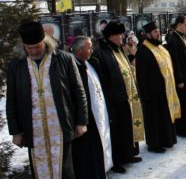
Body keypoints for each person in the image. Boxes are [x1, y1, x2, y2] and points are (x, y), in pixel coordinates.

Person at [6, 21, 88, 179]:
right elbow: (12, 100)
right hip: (33, 129)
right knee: (39, 169)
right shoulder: (16, 66)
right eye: (29, 48)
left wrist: (81, 121)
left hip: (61, 126)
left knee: (65, 170)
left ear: (45, 41)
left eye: (37, 46)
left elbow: (79, 91)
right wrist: (15, 131)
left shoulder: (64, 59)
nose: (33, 51)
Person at [92, 21, 143, 174]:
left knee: (127, 128)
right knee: (117, 132)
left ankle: (129, 154)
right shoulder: (100, 53)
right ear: (110, 36)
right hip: (114, 98)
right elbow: (103, 79)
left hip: (127, 95)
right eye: (119, 34)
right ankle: (117, 161)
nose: (122, 37)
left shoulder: (118, 48)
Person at [135, 21, 181, 153]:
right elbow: (141, 76)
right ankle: (154, 144)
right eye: (155, 32)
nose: (158, 34)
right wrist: (145, 95)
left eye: (158, 31)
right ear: (148, 34)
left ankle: (167, 140)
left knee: (165, 117)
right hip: (152, 93)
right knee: (154, 119)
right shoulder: (143, 51)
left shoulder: (160, 47)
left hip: (165, 91)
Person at [71, 36, 113, 178]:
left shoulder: (90, 63)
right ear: (79, 49)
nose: (91, 50)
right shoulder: (72, 66)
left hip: (98, 112)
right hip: (85, 118)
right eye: (89, 47)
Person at [166, 15, 186, 137]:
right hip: (181, 78)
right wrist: (179, 79)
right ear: (179, 24)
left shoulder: (183, 36)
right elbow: (175, 61)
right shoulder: (173, 39)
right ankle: (183, 129)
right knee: (183, 103)